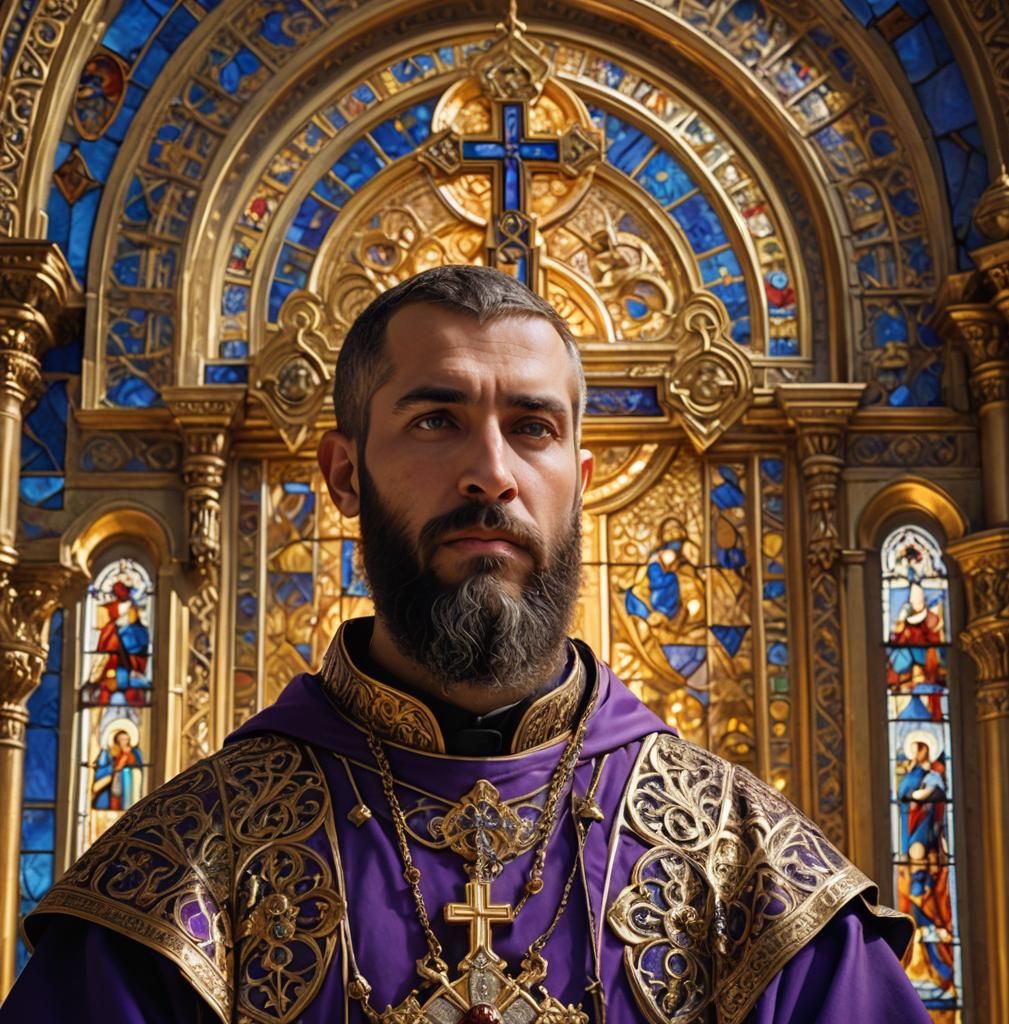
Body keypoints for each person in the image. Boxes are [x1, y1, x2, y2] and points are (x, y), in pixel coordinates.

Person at [4, 266, 931, 1023]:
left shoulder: (746, 864)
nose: (491, 472)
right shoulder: (186, 869)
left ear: (580, 476)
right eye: (435, 420)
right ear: (344, 473)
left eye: (533, 428)